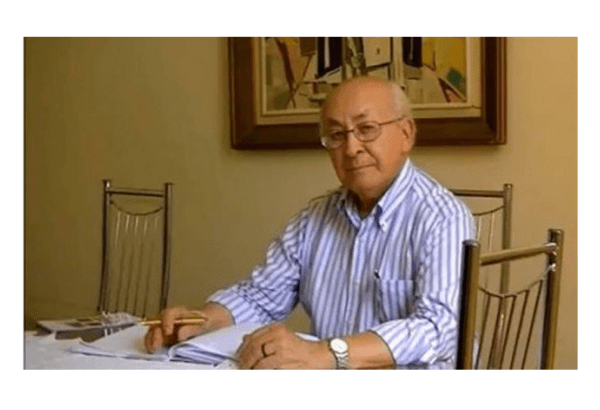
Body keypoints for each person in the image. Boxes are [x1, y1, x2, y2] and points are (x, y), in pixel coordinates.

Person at [144, 77, 474, 369]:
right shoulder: (315, 217)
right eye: (336, 135)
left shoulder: (444, 218)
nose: (351, 148)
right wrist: (202, 320)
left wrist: (323, 353)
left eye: (366, 129)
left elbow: (439, 328)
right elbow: (260, 296)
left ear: (406, 134)